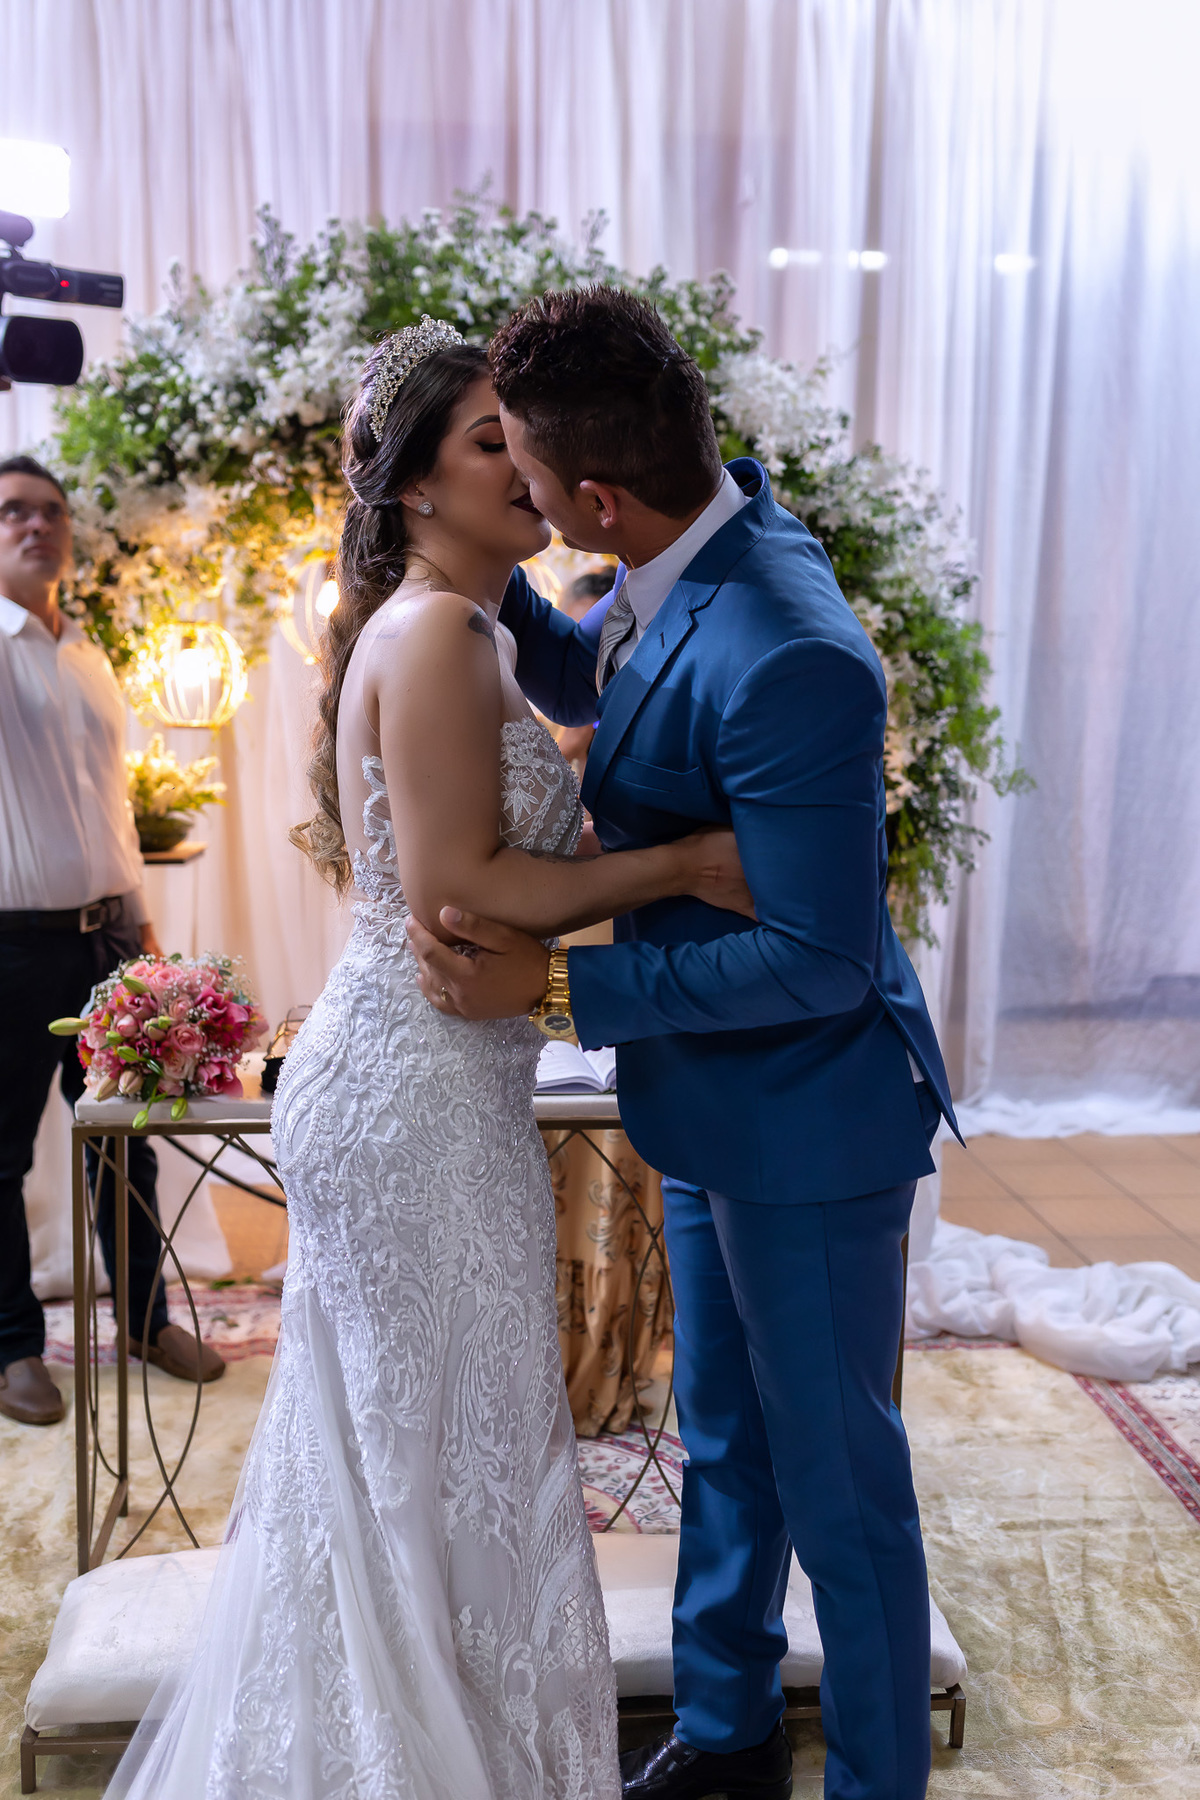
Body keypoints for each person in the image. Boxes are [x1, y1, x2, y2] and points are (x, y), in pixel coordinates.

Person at [105, 318, 752, 1799]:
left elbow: (479, 848)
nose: (527, 466)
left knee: (404, 1452)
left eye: (523, 440)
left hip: (419, 1075)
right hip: (418, 1094)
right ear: (414, 485)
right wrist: (687, 863)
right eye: (489, 443)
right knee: (446, 1449)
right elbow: (468, 889)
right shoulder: (442, 633)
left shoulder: (447, 627)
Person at [406, 287, 961, 1800]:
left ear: (597, 498)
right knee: (725, 1442)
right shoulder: (681, 548)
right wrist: (449, 559)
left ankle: (877, 1782)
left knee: (841, 1489)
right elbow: (605, 671)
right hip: (715, 1106)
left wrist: (561, 993)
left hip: (811, 1124)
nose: (520, 491)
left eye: (525, 471)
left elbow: (817, 958)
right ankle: (727, 1738)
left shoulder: (793, 651)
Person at [0, 455, 224, 1428]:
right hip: (10, 947)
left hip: (108, 942)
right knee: (1, 1156)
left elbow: (113, 808)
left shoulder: (86, 654)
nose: (35, 525)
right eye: (12, 511)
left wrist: (145, 942)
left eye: (50, 511)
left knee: (128, 1141)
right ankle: (12, 1347)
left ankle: (142, 1321)